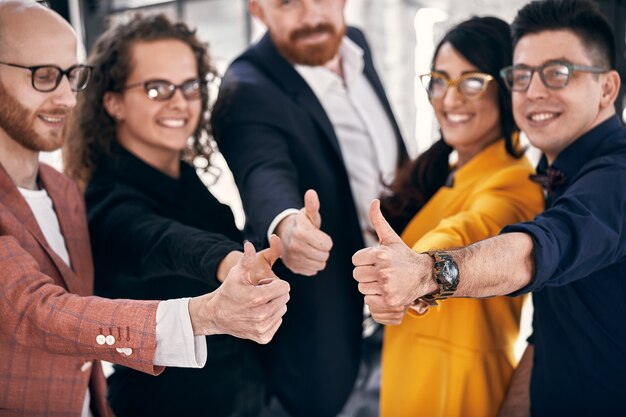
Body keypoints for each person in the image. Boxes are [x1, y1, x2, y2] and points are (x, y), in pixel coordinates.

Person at [0, 2, 290, 416]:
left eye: (71, 76)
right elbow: (38, 311)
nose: (66, 97)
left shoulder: (64, 191)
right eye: (44, 76)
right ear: (113, 102)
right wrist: (214, 290)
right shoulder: (105, 197)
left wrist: (286, 230)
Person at [353, 1, 625, 416]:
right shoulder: (556, 173)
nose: (534, 91)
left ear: (607, 88)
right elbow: (553, 330)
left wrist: (425, 271)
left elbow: (521, 241)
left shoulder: (610, 177)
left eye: (557, 73)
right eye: (522, 76)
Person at [211, 0, 407, 415]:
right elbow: (263, 171)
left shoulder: (355, 43)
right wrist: (287, 226)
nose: (311, 15)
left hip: (401, 303)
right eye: (287, 3)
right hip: (328, 328)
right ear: (257, 10)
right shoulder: (245, 87)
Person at [376, 16, 543, 417]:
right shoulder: (446, 172)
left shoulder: (515, 182)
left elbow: (470, 230)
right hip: (416, 378)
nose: (450, 99)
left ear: (506, 88)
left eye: (471, 81)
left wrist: (419, 268)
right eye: (439, 80)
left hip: (458, 391)